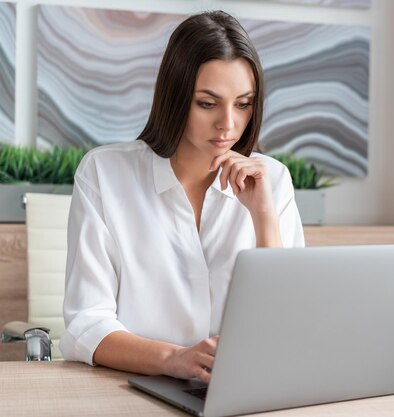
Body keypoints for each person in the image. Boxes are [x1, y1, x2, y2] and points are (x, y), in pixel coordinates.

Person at [59, 11, 304, 384]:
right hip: (130, 391)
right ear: (175, 97)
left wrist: (264, 217)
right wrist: (173, 358)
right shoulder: (105, 175)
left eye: (243, 103)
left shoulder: (273, 181)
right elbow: (85, 324)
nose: (228, 123)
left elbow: (288, 328)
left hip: (242, 394)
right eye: (208, 103)